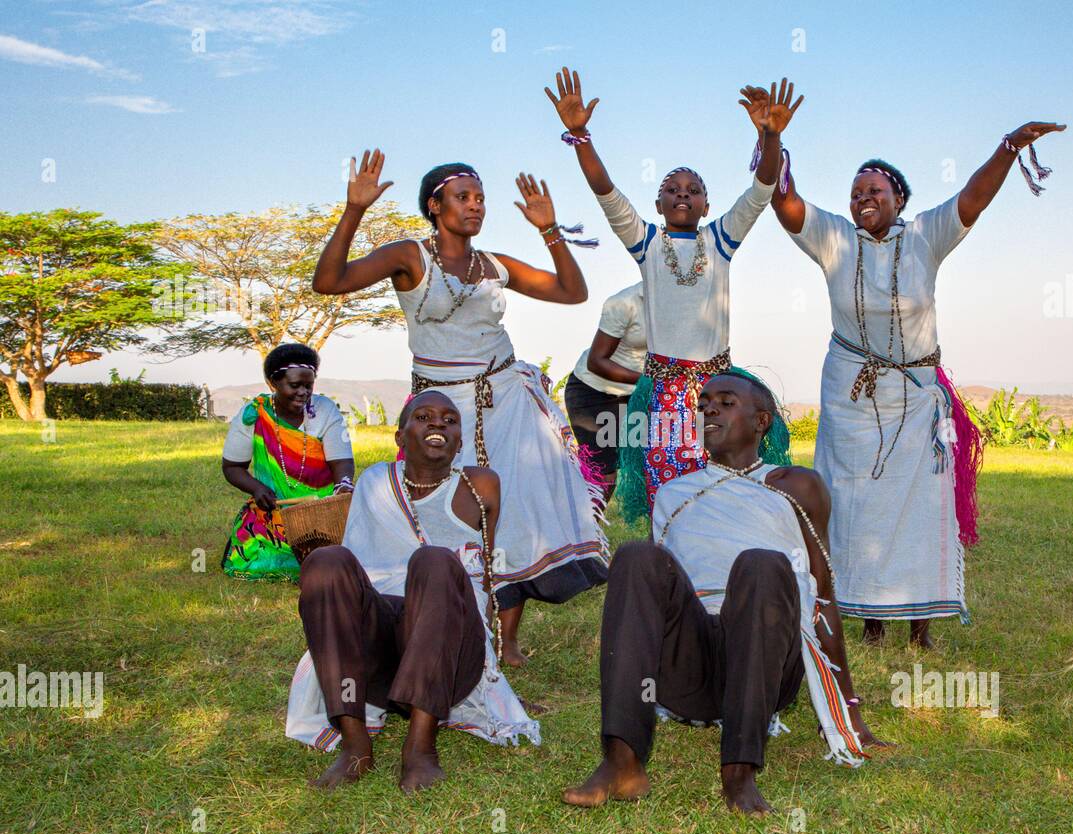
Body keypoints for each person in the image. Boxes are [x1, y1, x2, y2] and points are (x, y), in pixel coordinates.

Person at [752, 89, 1066, 647]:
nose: (862, 199)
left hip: (916, 396)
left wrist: (1010, 146)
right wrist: (771, 136)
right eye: (855, 193)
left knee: (920, 504)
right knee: (850, 504)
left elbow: (974, 195)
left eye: (873, 191)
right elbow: (785, 203)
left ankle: (919, 623)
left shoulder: (925, 236)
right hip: (849, 399)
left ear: (899, 197)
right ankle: (867, 617)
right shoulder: (834, 240)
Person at [312, 149, 608, 666]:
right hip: (442, 408)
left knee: (511, 507)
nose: (475, 207)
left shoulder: (493, 264)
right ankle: (443, 615)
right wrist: (354, 209)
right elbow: (329, 281)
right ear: (435, 205)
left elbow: (572, 291)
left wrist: (549, 229)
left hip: (508, 399)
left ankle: (507, 637)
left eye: (480, 199)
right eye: (463, 198)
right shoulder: (410, 256)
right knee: (448, 507)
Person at [562, 372, 889, 816]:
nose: (709, 409)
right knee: (636, 555)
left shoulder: (796, 485)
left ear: (761, 422)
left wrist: (847, 709)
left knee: (761, 562)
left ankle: (739, 771)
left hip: (767, 660)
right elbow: (655, 601)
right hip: (690, 669)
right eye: (704, 403)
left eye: (726, 402)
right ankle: (622, 760)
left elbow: (822, 595)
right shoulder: (673, 493)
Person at [545, 68, 802, 517]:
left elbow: (762, 190)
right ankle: (671, 574)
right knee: (669, 493)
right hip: (663, 392)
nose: (683, 194)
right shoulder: (645, 244)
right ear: (657, 204)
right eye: (671, 189)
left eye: (694, 190)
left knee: (726, 487)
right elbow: (605, 191)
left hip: (719, 389)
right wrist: (581, 135)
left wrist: (769, 136)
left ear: (707, 203)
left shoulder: (721, 240)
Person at [287, 389, 539, 793]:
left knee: (435, 561)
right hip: (378, 658)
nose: (438, 423)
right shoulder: (374, 482)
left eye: (449, 420)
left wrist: (500, 650)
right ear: (400, 438)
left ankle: (420, 746)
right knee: (325, 562)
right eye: (423, 417)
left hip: (451, 653)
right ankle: (355, 745)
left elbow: (497, 571)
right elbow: (357, 574)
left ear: (459, 443)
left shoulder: (481, 485)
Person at [220, 343, 354, 582]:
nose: (303, 392)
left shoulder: (325, 410)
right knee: (256, 561)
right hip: (274, 511)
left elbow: (341, 461)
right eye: (295, 385)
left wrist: (343, 486)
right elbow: (232, 468)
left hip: (321, 511)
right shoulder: (254, 414)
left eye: (308, 385)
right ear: (273, 384)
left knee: (338, 558)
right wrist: (257, 489)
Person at [563, 283, 646, 503]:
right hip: (594, 393)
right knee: (603, 476)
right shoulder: (623, 302)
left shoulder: (685, 304)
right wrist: (649, 381)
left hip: (638, 395)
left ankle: (659, 536)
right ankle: (587, 533)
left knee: (655, 467)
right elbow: (596, 362)